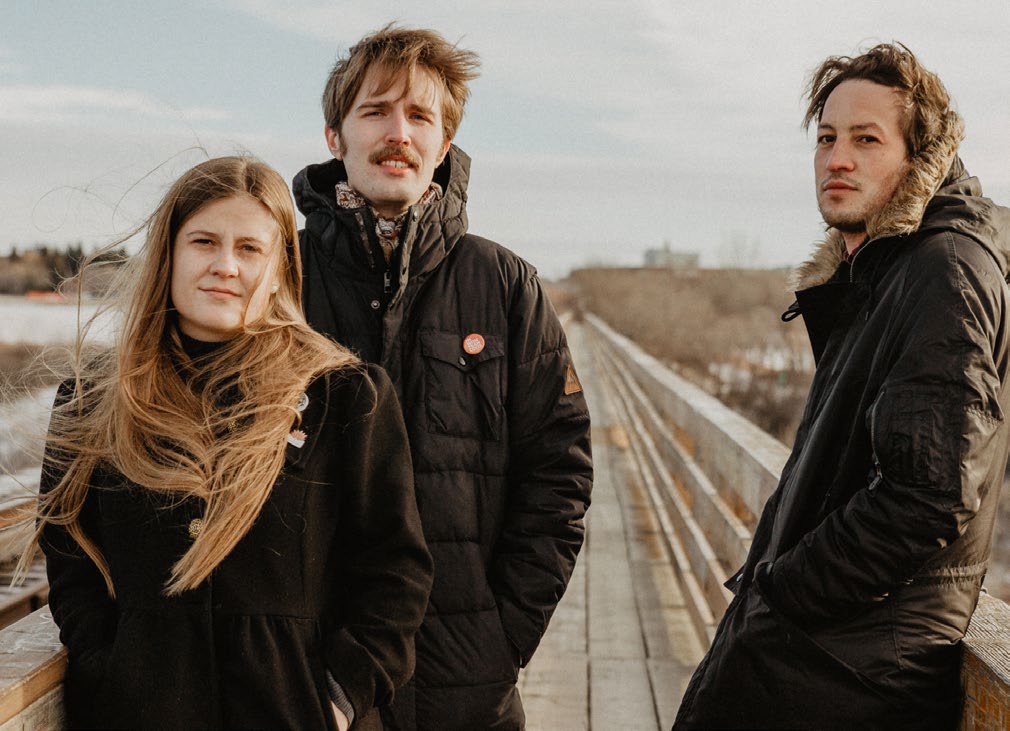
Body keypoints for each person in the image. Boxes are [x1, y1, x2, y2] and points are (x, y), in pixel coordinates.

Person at [23, 156, 433, 730]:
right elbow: (70, 558)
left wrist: (340, 696)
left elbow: (395, 570)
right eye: (204, 241)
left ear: (281, 269)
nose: (224, 266)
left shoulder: (345, 397)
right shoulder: (95, 402)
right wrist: (109, 667)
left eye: (249, 249)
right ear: (168, 255)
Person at [674, 43, 1010, 730]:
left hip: (848, 676)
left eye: (866, 139)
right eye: (826, 138)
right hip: (820, 662)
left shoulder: (943, 272)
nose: (837, 158)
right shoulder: (883, 273)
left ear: (921, 155)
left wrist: (787, 588)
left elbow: (929, 494)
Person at [294, 24, 593, 730]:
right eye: (375, 111)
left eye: (420, 115)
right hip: (307, 681)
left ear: (445, 145)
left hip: (465, 684)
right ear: (335, 135)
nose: (398, 132)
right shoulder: (279, 274)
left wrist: (503, 639)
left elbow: (559, 472)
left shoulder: (505, 283)